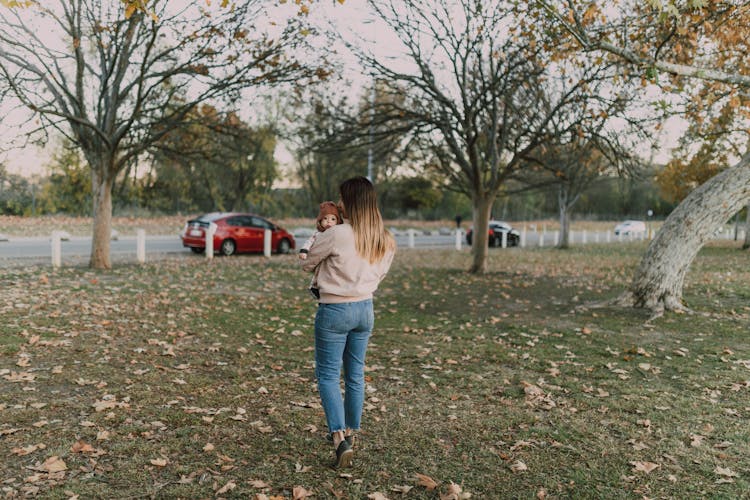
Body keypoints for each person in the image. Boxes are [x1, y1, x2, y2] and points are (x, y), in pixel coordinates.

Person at [300, 177, 396, 468]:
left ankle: (339, 438)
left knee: (328, 375)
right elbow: (380, 274)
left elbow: (307, 263)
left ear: (351, 202)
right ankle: (352, 432)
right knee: (355, 374)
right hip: (365, 309)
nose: (339, 204)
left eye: (342, 199)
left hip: (334, 310)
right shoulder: (385, 237)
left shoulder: (338, 233)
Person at [298, 201, 343, 299]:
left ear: (338, 221)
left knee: (324, 274)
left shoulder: (338, 234)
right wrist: (304, 251)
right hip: (318, 259)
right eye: (325, 218)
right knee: (318, 272)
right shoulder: (318, 234)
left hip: (330, 260)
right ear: (320, 221)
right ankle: (314, 287)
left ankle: (316, 287)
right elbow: (309, 242)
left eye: (333, 219)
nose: (329, 221)